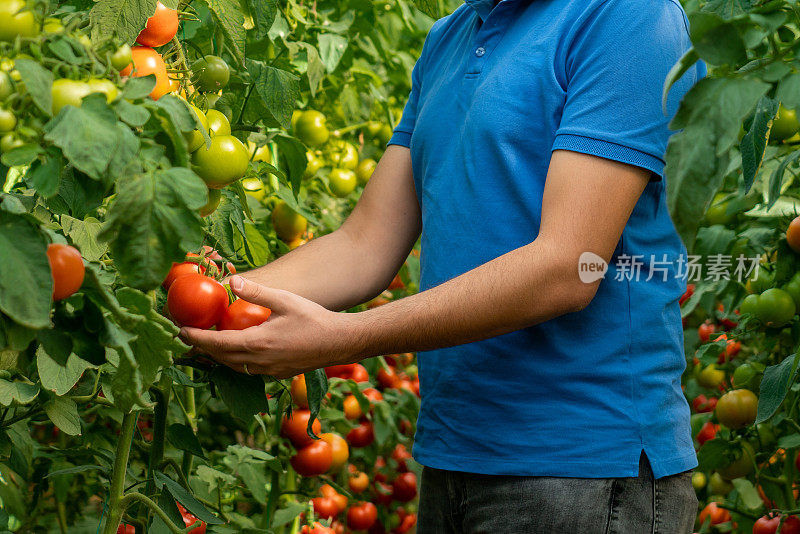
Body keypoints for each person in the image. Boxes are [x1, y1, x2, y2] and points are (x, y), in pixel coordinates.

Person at [181, 0, 705, 531]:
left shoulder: (628, 16)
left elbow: (568, 266)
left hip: (584, 465)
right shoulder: (450, 37)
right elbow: (364, 243)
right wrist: (206, 299)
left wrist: (348, 336)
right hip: (453, 454)